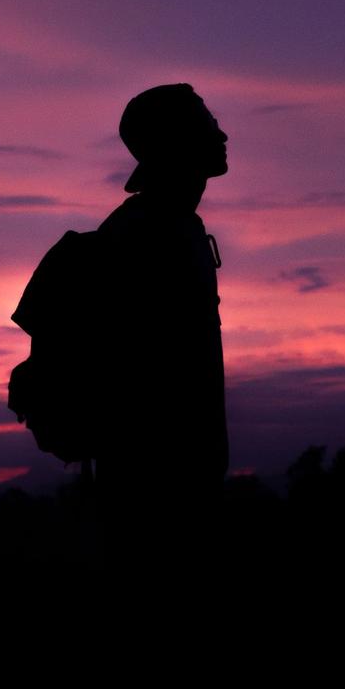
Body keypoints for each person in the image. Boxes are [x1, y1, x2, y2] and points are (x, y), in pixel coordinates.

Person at [91, 83, 229, 584]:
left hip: (176, 481)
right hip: (157, 491)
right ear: (177, 141)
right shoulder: (148, 235)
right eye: (209, 125)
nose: (223, 134)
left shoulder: (176, 226)